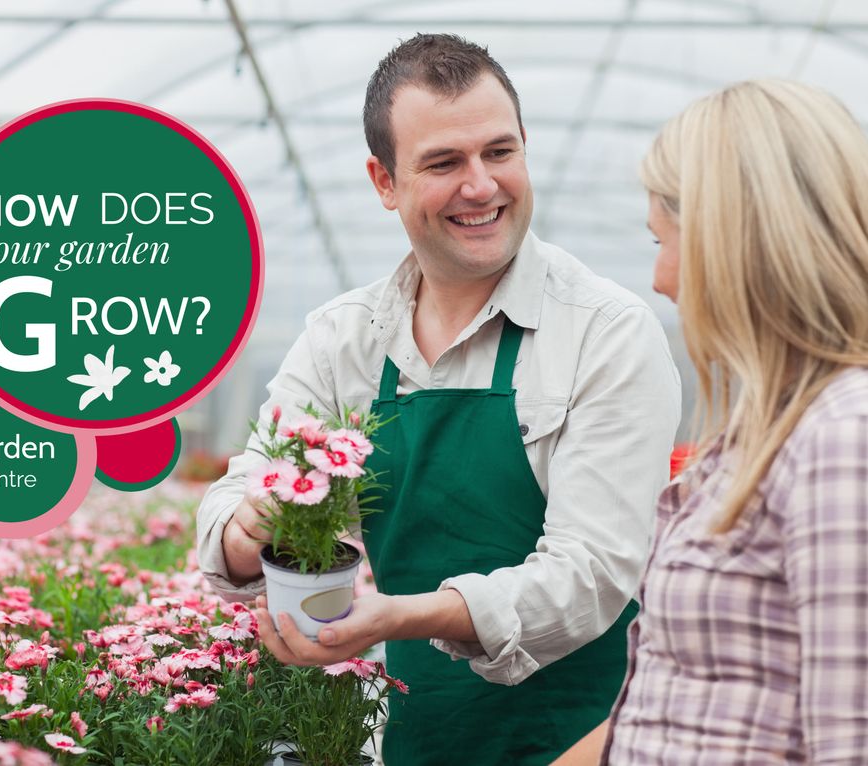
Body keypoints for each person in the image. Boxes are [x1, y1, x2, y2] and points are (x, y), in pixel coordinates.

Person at [196, 34, 681, 765]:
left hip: (583, 735)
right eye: (444, 163)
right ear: (384, 182)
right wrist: (253, 523)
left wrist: (399, 618)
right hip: (415, 736)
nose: (481, 185)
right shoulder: (344, 339)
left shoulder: (604, 331)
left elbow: (592, 574)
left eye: (500, 152)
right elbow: (230, 513)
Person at [554, 79, 868, 765]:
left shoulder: (843, 438)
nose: (661, 279)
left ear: (734, 245)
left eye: (664, 242)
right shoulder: (764, 432)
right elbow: (679, 703)